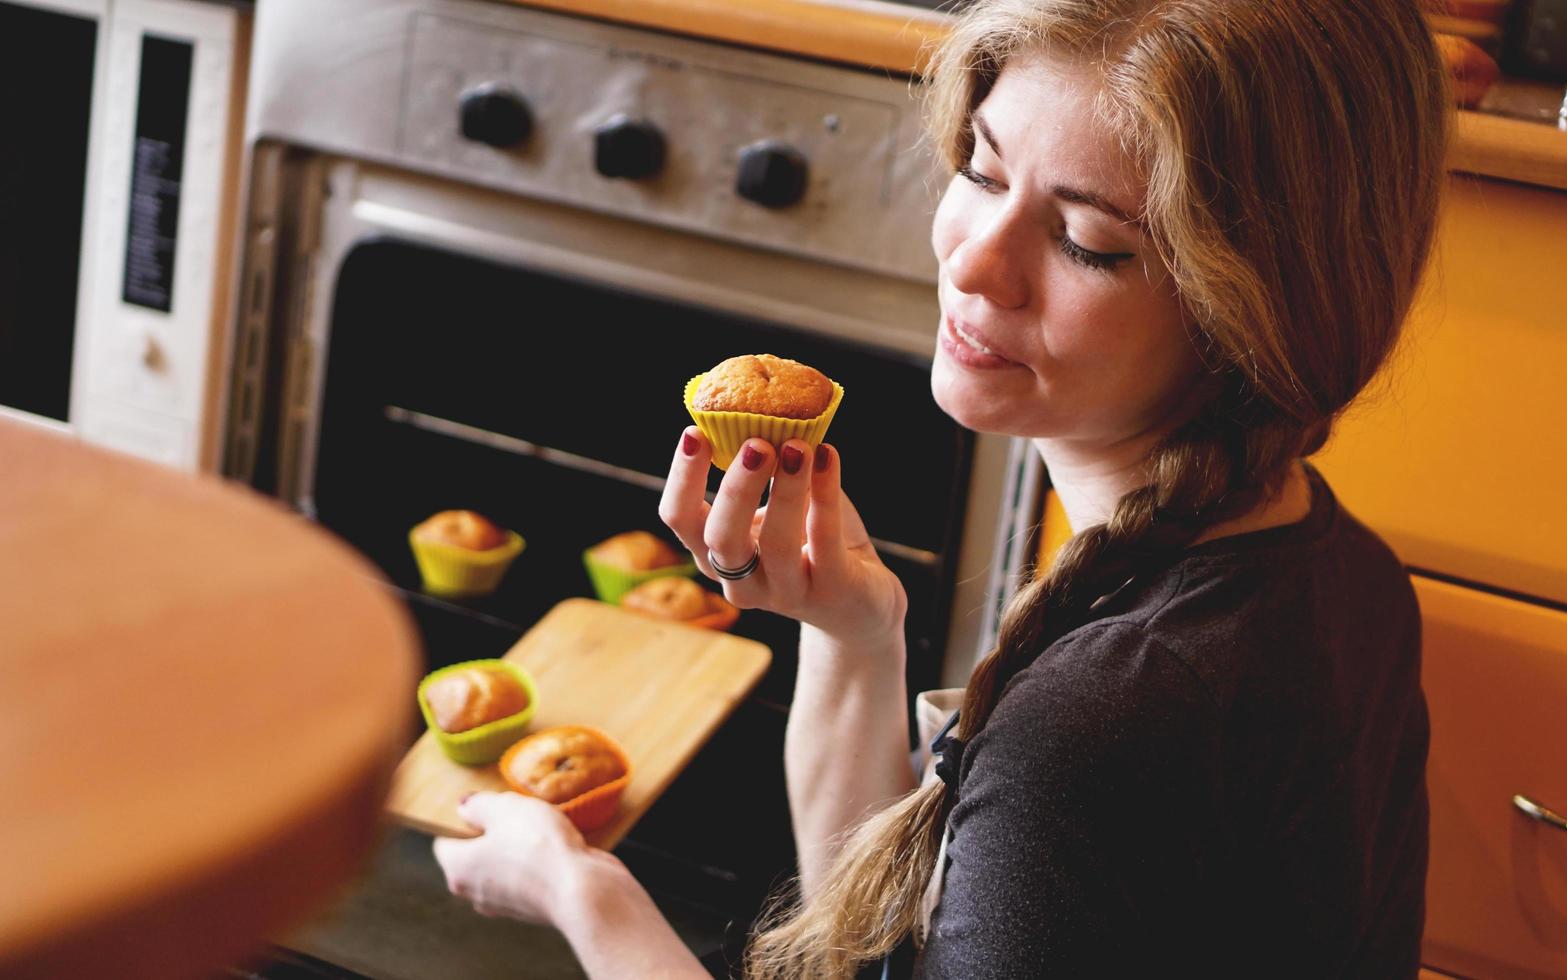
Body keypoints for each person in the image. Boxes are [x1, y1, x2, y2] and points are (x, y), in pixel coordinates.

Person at [434, 0, 1449, 976]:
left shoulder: (1102, 722)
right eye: (980, 168)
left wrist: (586, 897)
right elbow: (865, 940)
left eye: (1086, 242)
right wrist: (855, 629)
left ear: (1252, 307)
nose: (973, 261)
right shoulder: (1339, 568)